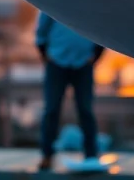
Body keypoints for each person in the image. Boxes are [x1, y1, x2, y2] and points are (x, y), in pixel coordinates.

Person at [35, 11, 105, 171]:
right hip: (57, 63)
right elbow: (41, 32)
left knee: (86, 110)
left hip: (83, 64)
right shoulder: (52, 4)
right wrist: (46, 55)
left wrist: (95, 55)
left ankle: (91, 155)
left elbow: (101, 30)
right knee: (51, 109)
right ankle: (47, 155)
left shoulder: (91, 6)